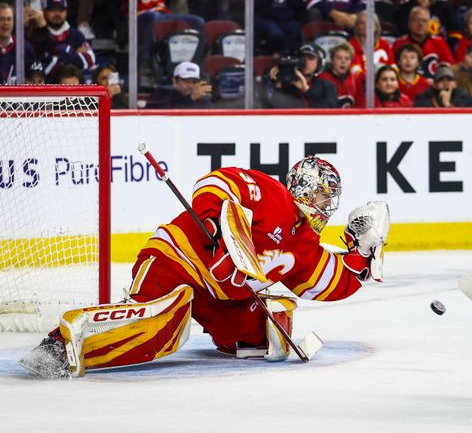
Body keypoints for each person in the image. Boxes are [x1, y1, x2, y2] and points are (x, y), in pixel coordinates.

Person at [20, 156, 390, 378]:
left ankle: (220, 324)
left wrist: (362, 253)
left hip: (221, 297)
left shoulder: (304, 245)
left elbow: (330, 282)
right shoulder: (272, 195)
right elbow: (217, 182)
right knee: (162, 328)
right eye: (324, 196)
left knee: (264, 335)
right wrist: (213, 221)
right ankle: (61, 343)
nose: (327, 206)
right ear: (307, 190)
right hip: (177, 262)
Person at [31, 0, 96, 81]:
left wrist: (56, 59)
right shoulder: (39, 35)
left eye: (61, 10)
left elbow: (90, 58)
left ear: (66, 12)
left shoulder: (76, 34)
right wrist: (72, 54)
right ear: (44, 12)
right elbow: (41, 66)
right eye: (52, 10)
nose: (57, 14)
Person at [262, 42, 337, 109]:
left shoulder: (327, 87)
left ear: (319, 63)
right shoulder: (286, 84)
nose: (305, 61)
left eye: (310, 58)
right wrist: (276, 85)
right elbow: (271, 112)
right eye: (302, 57)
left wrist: (307, 90)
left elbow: (329, 112)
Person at [391, 6, 455, 81]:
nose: (420, 24)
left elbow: (450, 66)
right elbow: (392, 69)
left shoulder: (439, 42)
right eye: (417, 20)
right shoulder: (399, 44)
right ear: (409, 23)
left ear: (429, 24)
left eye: (424, 21)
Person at [146, 61, 213, 108]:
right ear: (174, 80)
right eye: (187, 81)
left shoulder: (203, 99)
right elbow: (166, 114)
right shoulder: (162, 93)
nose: (191, 86)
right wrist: (190, 99)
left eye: (194, 82)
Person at [318, 42, 365, 108]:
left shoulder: (355, 79)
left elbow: (360, 105)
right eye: (339, 58)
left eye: (347, 59)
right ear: (332, 60)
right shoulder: (322, 78)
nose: (343, 62)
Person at [0, 3, 35, 85]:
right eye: (1, 19)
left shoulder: (25, 48)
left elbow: (33, 78)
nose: (5, 23)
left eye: (9, 19)